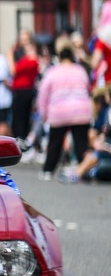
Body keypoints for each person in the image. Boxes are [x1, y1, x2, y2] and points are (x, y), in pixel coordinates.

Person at [35, 47, 93, 181]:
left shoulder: (53, 71)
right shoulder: (80, 70)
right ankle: (83, 171)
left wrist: (43, 113)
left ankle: (48, 170)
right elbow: (87, 87)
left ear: (60, 57)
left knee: (55, 143)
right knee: (81, 144)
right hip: (81, 110)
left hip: (59, 111)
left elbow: (43, 93)